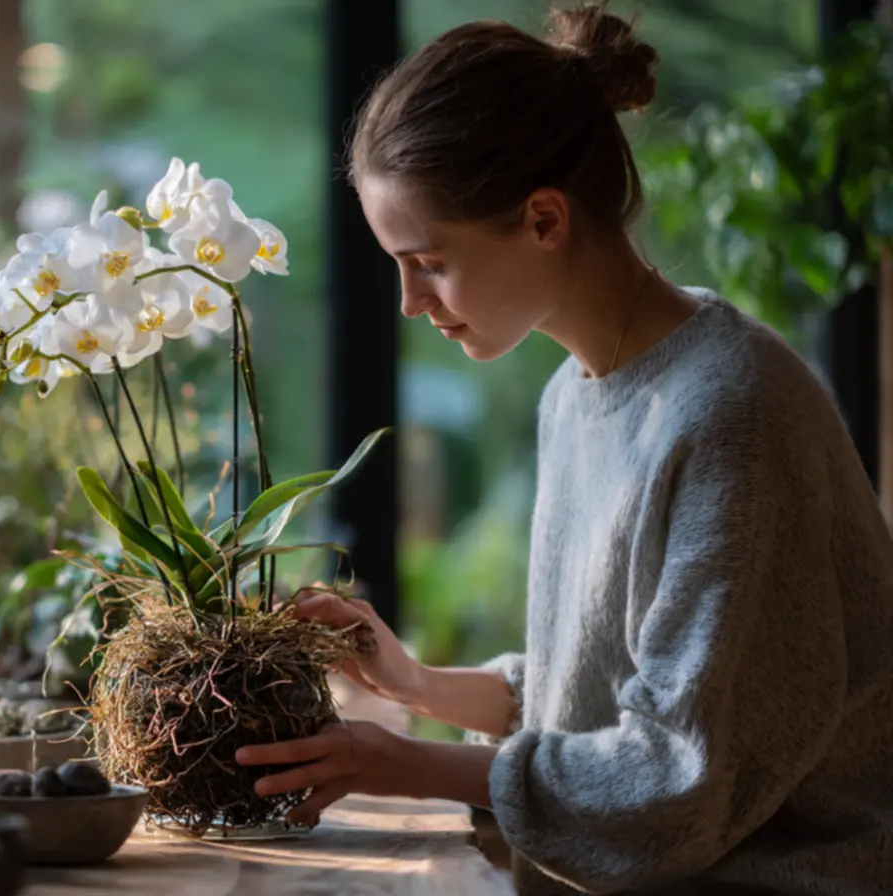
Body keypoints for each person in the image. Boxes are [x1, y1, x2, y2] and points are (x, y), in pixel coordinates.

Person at [233, 3, 893, 894]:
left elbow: (674, 777)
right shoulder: (572, 394)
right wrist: (419, 684)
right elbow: (605, 695)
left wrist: (405, 764)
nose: (409, 302)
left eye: (427, 260)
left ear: (545, 219)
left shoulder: (734, 414)